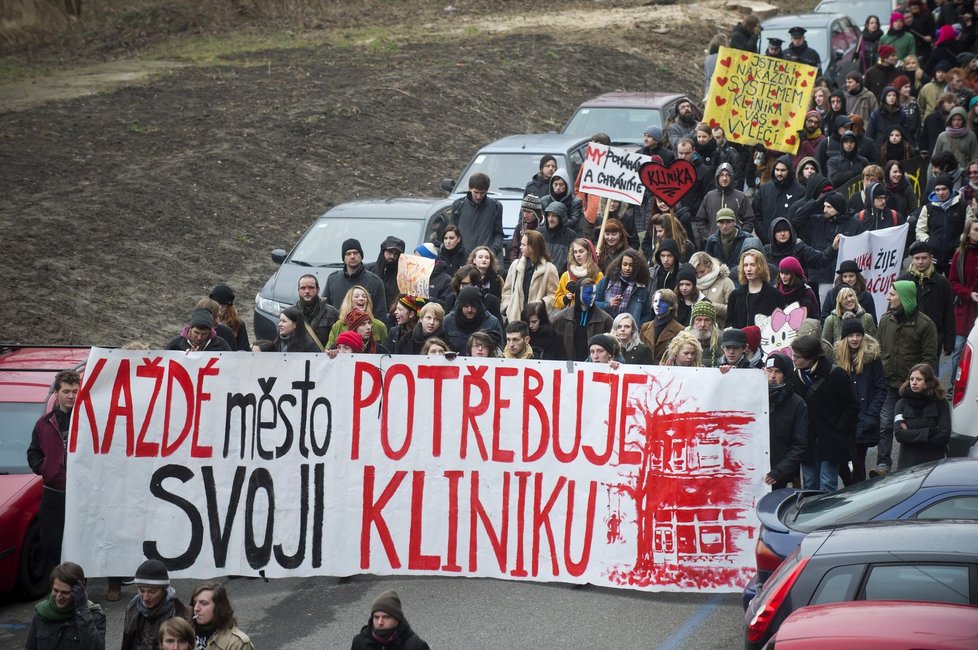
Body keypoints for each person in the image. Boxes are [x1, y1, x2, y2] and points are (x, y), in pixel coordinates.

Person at [874, 281, 939, 477]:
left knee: (911, 427)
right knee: (885, 424)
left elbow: (929, 359)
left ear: (904, 298)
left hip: (913, 389)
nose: (888, 297)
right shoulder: (885, 321)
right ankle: (883, 465)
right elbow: (878, 349)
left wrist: (918, 382)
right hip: (888, 385)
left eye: (892, 294)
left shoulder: (925, 325)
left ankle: (912, 469)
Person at [790, 334, 859, 493]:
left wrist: (839, 430)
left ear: (811, 357)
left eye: (797, 356)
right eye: (793, 355)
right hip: (807, 440)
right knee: (810, 484)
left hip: (831, 440)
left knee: (827, 483)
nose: (793, 359)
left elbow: (852, 406)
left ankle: (826, 517)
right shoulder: (796, 377)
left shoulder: (837, 375)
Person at [27, 369, 79, 571]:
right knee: (51, 545)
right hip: (53, 493)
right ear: (56, 393)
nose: (71, 396)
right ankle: (57, 592)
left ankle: (78, 592)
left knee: (77, 547)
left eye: (75, 391)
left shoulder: (87, 421)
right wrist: (45, 467)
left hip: (79, 495)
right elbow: (33, 453)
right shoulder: (44, 423)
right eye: (66, 391)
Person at [833, 318, 886, 484]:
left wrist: (871, 415)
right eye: (851, 335)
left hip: (864, 418)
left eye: (858, 335)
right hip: (843, 420)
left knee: (858, 463)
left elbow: (880, 388)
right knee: (841, 462)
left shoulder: (873, 359)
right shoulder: (837, 359)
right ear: (845, 338)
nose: (855, 339)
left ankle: (859, 498)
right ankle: (849, 488)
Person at [897, 241, 956, 362]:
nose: (920, 262)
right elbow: (894, 310)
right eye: (916, 258)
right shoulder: (902, 281)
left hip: (933, 340)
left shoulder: (942, 283)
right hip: (908, 340)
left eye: (924, 258)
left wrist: (949, 343)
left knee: (930, 377)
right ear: (912, 259)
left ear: (931, 258)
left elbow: (949, 313)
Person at [26, 562, 105, 650]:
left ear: (78, 592)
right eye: (55, 590)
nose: (59, 597)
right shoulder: (41, 614)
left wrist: (82, 610)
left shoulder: (94, 616)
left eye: (65, 592)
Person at [121, 559, 192, 650]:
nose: (145, 597)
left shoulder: (179, 613)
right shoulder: (133, 607)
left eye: (152, 592)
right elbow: (127, 643)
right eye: (142, 591)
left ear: (163, 589)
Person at [894, 363, 951, 469]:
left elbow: (945, 434)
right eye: (911, 379)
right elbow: (899, 434)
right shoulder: (901, 404)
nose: (914, 383)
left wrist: (912, 438)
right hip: (908, 462)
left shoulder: (941, 404)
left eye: (919, 379)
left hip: (933, 462)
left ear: (928, 382)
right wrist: (930, 432)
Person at [764, 353, 808, 489]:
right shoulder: (754, 397)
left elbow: (800, 445)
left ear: (786, 375)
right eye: (769, 371)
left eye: (778, 372)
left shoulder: (797, 404)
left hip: (778, 475)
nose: (772, 376)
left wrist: (779, 471)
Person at [500, 229, 559, 324]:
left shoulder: (550, 269)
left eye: (523, 245)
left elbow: (554, 295)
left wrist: (541, 305)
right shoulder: (516, 265)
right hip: (515, 319)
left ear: (533, 246)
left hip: (537, 321)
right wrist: (507, 307)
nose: (520, 247)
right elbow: (507, 290)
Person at [693, 162, 755, 247]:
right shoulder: (709, 197)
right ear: (717, 177)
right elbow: (700, 220)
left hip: (736, 245)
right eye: (721, 175)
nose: (724, 178)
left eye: (727, 175)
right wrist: (708, 236)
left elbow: (749, 220)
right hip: (714, 245)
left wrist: (741, 236)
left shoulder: (741, 197)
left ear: (732, 177)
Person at [551, 278, 613, 361]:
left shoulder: (605, 319)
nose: (592, 297)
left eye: (594, 293)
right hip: (568, 366)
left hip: (593, 366)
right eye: (588, 293)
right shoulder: (562, 318)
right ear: (578, 293)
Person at [916, 173, 967, 273]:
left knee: (954, 287)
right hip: (933, 258)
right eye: (937, 190)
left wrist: (960, 243)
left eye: (944, 189)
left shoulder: (962, 207)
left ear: (950, 189)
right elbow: (920, 230)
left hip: (955, 257)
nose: (941, 193)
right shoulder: (928, 208)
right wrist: (928, 242)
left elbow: (969, 229)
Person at [351, 590, 429, 650]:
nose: (380, 622)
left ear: (397, 619)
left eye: (386, 617)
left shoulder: (416, 646)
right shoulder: (359, 642)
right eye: (376, 617)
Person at [323, 238, 386, 312]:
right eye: (348, 254)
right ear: (344, 258)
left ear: (361, 256)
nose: (352, 256)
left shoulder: (375, 282)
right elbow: (324, 309)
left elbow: (380, 316)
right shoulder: (332, 280)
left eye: (355, 253)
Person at [754, 156, 804, 245]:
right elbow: (756, 213)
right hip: (766, 241)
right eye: (777, 170)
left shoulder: (800, 191)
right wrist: (763, 233)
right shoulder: (765, 189)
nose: (779, 173)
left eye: (783, 170)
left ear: (789, 171)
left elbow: (800, 218)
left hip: (790, 244)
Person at [450, 172, 504, 257]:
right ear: (469, 188)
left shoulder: (495, 206)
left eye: (482, 193)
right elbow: (452, 232)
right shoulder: (458, 205)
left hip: (485, 258)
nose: (478, 196)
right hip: (462, 258)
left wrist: (492, 251)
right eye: (476, 192)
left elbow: (498, 234)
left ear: (487, 190)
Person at [726, 248, 780, 329]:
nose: (748, 269)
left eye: (752, 265)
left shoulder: (774, 294)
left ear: (761, 267)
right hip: (740, 339)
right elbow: (729, 323)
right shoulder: (735, 295)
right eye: (745, 265)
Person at [950, 218, 978, 375]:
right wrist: (969, 293)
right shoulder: (960, 255)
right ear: (968, 233)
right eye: (976, 230)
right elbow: (952, 282)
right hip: (964, 309)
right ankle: (954, 384)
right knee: (959, 348)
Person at [704, 208, 762, 281]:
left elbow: (756, 261)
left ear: (734, 222)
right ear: (717, 224)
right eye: (721, 222)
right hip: (720, 279)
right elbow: (708, 263)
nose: (725, 226)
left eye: (728, 222)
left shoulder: (747, 238)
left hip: (743, 277)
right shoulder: (712, 241)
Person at [596, 248, 651, 324]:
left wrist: (637, 328)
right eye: (624, 264)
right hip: (606, 327)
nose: (627, 268)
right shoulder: (608, 280)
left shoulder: (641, 288)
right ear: (620, 264)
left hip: (629, 331)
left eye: (631, 265)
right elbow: (594, 303)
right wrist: (608, 304)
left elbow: (646, 315)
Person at [191, 583, 253, 650]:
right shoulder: (185, 633)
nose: (196, 608)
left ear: (219, 607)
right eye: (194, 603)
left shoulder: (237, 643)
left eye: (204, 603)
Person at [442, 285, 503, 352]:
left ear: (479, 305)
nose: (470, 310)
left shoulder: (492, 322)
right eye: (466, 306)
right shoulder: (448, 321)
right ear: (460, 306)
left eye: (473, 306)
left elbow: (499, 351)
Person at [819, 260, 878, 324]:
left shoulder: (866, 296)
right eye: (845, 276)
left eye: (851, 276)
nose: (848, 279)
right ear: (841, 278)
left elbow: (873, 322)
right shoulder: (831, 294)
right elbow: (824, 319)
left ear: (857, 277)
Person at [554, 238, 603, 311]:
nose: (578, 255)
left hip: (590, 316)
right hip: (571, 317)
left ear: (589, 253)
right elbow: (556, 301)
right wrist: (566, 298)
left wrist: (576, 291)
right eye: (575, 252)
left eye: (581, 251)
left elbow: (599, 300)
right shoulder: (567, 275)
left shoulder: (598, 275)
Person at [689, 251, 735, 328]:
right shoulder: (690, 284)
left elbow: (734, 310)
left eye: (702, 271)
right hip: (696, 331)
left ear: (710, 267)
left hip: (720, 331)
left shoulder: (726, 282)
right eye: (696, 273)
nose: (699, 276)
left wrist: (712, 306)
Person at [295, 274, 340, 348]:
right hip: (297, 358)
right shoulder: (290, 314)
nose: (307, 291)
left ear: (318, 290)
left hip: (325, 358)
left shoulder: (333, 313)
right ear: (298, 290)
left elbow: (341, 341)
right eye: (303, 288)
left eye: (311, 287)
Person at [640, 289, 684, 363]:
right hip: (645, 370)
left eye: (662, 302)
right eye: (655, 301)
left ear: (671, 306)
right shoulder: (645, 327)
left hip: (667, 371)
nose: (658, 305)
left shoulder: (679, 330)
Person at [367, 235, 405, 315]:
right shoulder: (367, 270)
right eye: (390, 252)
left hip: (393, 316)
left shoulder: (403, 275)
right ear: (383, 251)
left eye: (396, 254)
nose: (392, 256)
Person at [932, 107, 978, 171]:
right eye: (953, 120)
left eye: (959, 120)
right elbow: (935, 158)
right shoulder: (942, 136)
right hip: (945, 173)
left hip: (964, 172)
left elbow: (975, 157)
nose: (956, 122)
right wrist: (930, 177)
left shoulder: (971, 136)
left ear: (964, 120)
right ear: (950, 120)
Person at [166, 308, 232, 352]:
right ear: (190, 329)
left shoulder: (221, 345)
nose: (199, 337)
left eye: (204, 334)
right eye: (196, 332)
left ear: (210, 332)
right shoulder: (176, 345)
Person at [540, 167, 583, 233]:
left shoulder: (576, 202)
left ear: (566, 185)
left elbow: (573, 223)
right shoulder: (544, 201)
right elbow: (543, 222)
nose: (558, 187)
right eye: (555, 184)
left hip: (568, 237)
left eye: (561, 184)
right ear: (552, 185)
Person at [540, 201, 578, 276]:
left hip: (560, 277)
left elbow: (572, 260)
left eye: (554, 216)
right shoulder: (540, 232)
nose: (550, 219)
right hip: (541, 276)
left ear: (561, 218)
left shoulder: (570, 235)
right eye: (548, 215)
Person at [208, 285, 249, 351]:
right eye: (217, 305)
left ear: (229, 307)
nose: (220, 309)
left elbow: (244, 348)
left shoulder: (238, 324)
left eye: (223, 306)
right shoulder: (205, 322)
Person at [509, 194, 542, 264]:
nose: (525, 215)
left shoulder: (543, 228)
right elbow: (514, 248)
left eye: (529, 212)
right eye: (524, 211)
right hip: (521, 264)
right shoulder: (520, 226)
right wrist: (514, 263)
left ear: (536, 213)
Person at [688, 300, 721, 367]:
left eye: (707, 320)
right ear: (693, 322)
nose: (702, 324)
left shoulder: (721, 339)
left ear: (712, 322)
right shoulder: (684, 339)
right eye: (699, 320)